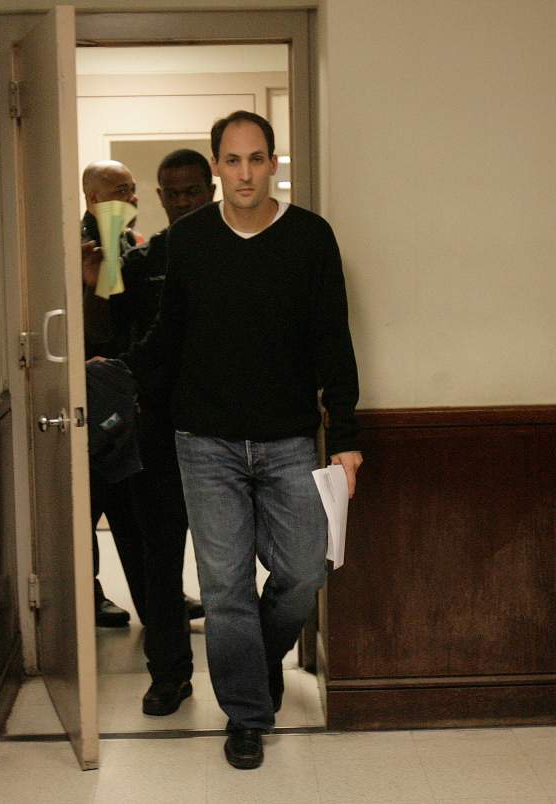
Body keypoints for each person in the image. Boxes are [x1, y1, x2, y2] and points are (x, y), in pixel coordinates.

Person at [122, 112, 362, 769]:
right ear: (218, 166)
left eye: (258, 159)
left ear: (274, 162)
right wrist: (121, 376)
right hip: (206, 442)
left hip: (287, 439)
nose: (246, 173)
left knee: (302, 574)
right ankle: (248, 714)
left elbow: (333, 341)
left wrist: (345, 433)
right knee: (224, 588)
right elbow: (170, 336)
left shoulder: (311, 239)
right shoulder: (190, 242)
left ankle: (255, 658)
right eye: (233, 161)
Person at [117, 148, 217, 715]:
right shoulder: (141, 262)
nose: (181, 203)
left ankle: (241, 677)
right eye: (172, 193)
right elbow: (118, 337)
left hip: (218, 428)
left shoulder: (230, 253)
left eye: (192, 193)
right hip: (155, 431)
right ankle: (169, 674)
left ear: (210, 190)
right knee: (160, 558)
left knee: (225, 562)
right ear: (159, 196)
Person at [80, 160, 144, 629]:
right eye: (122, 190)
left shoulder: (126, 242)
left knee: (133, 507)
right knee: (90, 505)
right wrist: (96, 275)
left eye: (134, 189)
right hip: (88, 396)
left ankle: (155, 599)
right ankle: (91, 595)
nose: (133, 198)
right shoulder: (79, 246)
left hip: (127, 389)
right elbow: (100, 323)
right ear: (95, 199)